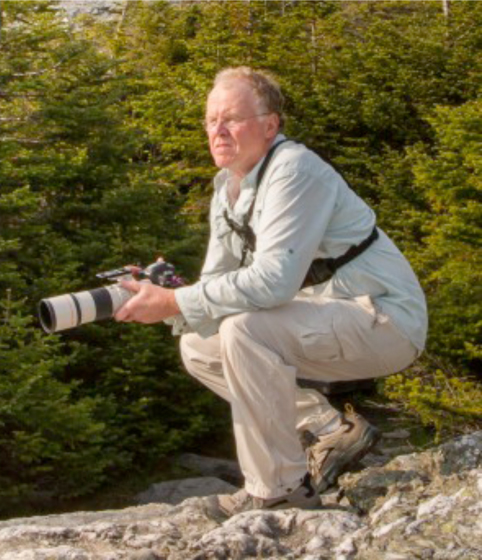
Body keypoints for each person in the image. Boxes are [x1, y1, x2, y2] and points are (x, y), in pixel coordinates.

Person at [115, 67, 428, 516]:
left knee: (246, 329)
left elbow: (273, 281)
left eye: (232, 119)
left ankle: (278, 489)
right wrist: (157, 302)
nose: (218, 131)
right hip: (329, 316)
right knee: (200, 345)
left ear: (269, 125)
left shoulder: (295, 170)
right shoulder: (227, 188)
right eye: (210, 121)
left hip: (387, 319)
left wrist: (176, 301)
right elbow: (216, 283)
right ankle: (327, 428)